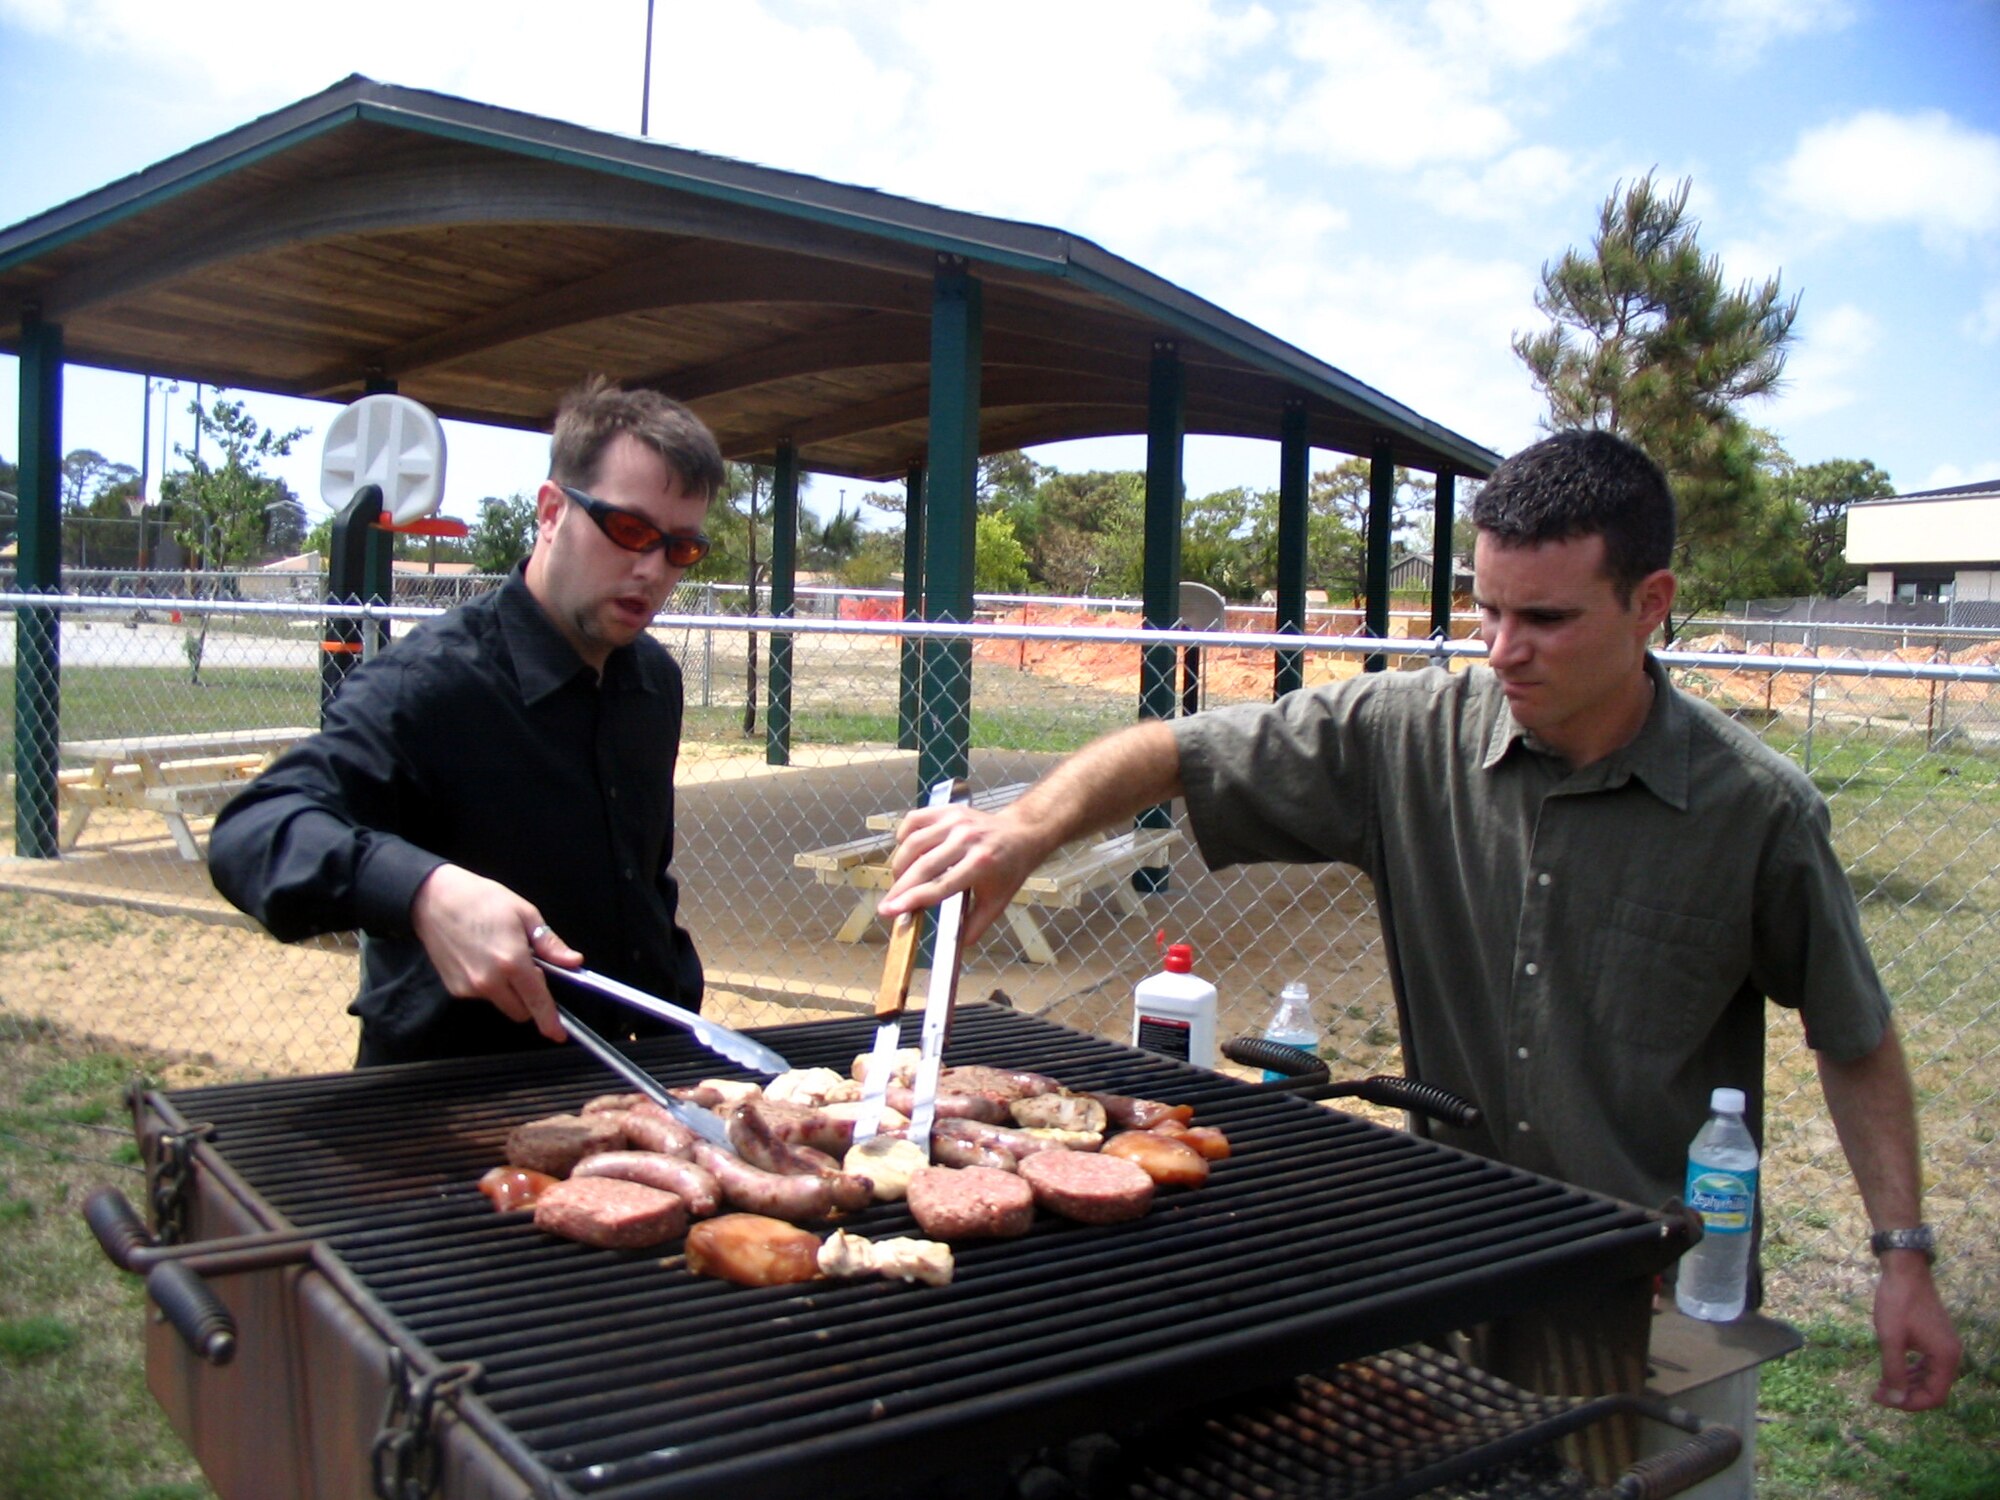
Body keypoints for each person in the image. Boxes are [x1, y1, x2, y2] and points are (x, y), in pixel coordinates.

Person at [880, 429, 1961, 1413]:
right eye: (1486, 611)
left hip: (1651, 1291)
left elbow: (1851, 1036)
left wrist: (1899, 1257)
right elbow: (1174, 751)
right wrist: (1024, 829)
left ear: (1649, 603)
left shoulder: (1755, 811)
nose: (1499, 651)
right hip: (1452, 1257)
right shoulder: (1406, 734)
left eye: (1543, 618)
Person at [211, 377, 725, 1066]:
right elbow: (253, 832)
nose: (652, 569)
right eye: (629, 530)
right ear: (551, 512)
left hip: (632, 1079)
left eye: (681, 549)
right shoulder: (425, 684)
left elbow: (644, 887)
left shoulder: (653, 682)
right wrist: (422, 890)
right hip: (447, 1099)